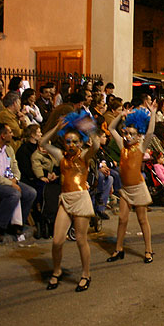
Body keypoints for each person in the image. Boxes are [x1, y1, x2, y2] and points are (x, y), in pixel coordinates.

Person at [40, 111, 100, 292]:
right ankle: (57, 271)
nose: (71, 145)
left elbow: (96, 145)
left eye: (75, 141)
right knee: (57, 241)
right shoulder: (60, 157)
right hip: (65, 200)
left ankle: (85, 274)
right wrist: (56, 128)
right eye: (68, 141)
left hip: (81, 199)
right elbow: (42, 143)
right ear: (64, 143)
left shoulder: (84, 157)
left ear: (80, 143)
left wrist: (88, 129)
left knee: (81, 239)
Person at [107, 103, 158, 264]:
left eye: (131, 134)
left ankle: (148, 250)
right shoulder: (123, 146)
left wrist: (153, 113)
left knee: (143, 220)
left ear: (138, 135)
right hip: (125, 189)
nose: (127, 136)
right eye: (126, 133)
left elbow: (150, 132)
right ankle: (118, 249)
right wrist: (121, 115)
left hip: (138, 188)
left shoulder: (141, 147)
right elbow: (111, 128)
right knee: (122, 219)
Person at [0, 123, 37, 241]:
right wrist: (10, 183)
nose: (12, 135)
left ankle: (17, 224)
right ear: (2, 135)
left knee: (30, 192)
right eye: (10, 132)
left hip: (9, 181)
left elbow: (14, 166)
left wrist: (15, 178)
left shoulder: (8, 149)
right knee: (14, 193)